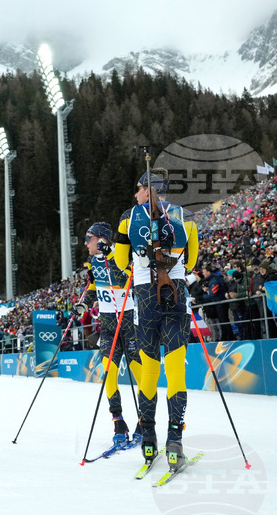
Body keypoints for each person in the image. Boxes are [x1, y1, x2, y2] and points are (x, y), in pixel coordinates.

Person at [113, 170, 198, 473]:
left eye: (137, 189)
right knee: (175, 368)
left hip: (145, 296)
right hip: (175, 294)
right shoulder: (185, 215)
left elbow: (121, 262)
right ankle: (174, 440)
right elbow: (192, 260)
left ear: (147, 189)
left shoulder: (127, 217)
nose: (135, 194)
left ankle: (148, 439)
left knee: (149, 369)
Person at [76, 221, 142, 446]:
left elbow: (128, 279)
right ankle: (118, 422)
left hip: (130, 326)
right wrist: (84, 303)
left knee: (142, 377)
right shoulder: (93, 261)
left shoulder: (122, 255)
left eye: (89, 238)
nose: (85, 243)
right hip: (108, 327)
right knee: (109, 375)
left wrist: (111, 257)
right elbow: (94, 287)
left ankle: (145, 421)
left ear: (101, 239)